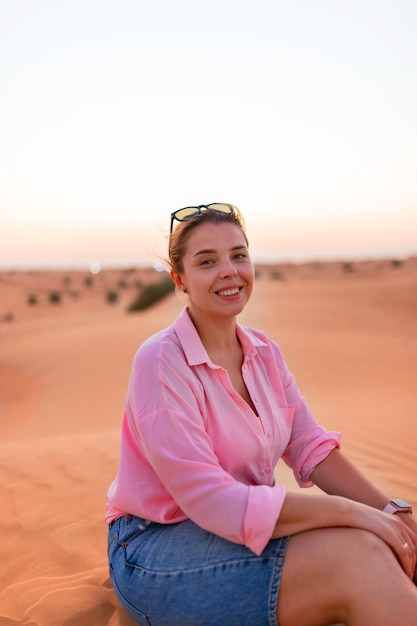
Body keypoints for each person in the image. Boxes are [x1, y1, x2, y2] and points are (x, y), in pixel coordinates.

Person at [106, 203, 417, 626]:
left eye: (238, 255)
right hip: (152, 547)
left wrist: (391, 512)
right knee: (359, 555)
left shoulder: (264, 352)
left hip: (239, 532)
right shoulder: (161, 360)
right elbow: (210, 501)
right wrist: (356, 514)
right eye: (207, 261)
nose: (229, 271)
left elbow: (310, 446)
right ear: (180, 279)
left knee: (388, 546)